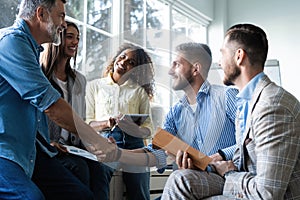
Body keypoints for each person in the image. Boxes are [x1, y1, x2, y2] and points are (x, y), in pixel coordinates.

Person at [161, 24, 300, 199]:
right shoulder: (245, 101)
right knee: (180, 179)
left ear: (239, 56)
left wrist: (228, 173)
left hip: (262, 192)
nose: (219, 62)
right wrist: (208, 165)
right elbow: (241, 160)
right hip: (245, 180)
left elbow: (267, 193)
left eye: (222, 53)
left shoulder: (273, 106)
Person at [0, 0, 118, 199]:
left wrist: (48, 143)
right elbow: (51, 106)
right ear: (41, 14)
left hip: (32, 151)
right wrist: (96, 140)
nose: (63, 24)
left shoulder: (31, 49)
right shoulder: (11, 42)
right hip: (4, 151)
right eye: (61, 16)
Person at [90, 42, 238, 198]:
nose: (170, 71)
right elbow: (157, 153)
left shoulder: (227, 97)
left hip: (225, 178)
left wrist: (219, 155)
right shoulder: (175, 113)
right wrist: (117, 154)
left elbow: (251, 139)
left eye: (176, 65)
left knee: (180, 179)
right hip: (191, 180)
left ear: (195, 69)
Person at [40, 20, 108, 199]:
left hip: (73, 147)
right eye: (70, 37)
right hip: (50, 147)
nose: (75, 42)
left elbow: (79, 120)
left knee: (100, 170)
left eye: (77, 38)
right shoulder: (40, 76)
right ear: (57, 39)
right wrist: (48, 143)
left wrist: (97, 143)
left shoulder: (79, 80)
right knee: (80, 168)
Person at [85, 43, 155, 200]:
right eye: (122, 57)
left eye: (131, 62)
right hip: (106, 139)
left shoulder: (139, 91)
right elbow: (87, 123)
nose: (124, 62)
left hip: (134, 143)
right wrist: (107, 123)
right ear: (116, 58)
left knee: (139, 188)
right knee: (99, 172)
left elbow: (148, 129)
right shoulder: (95, 86)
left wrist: (133, 128)